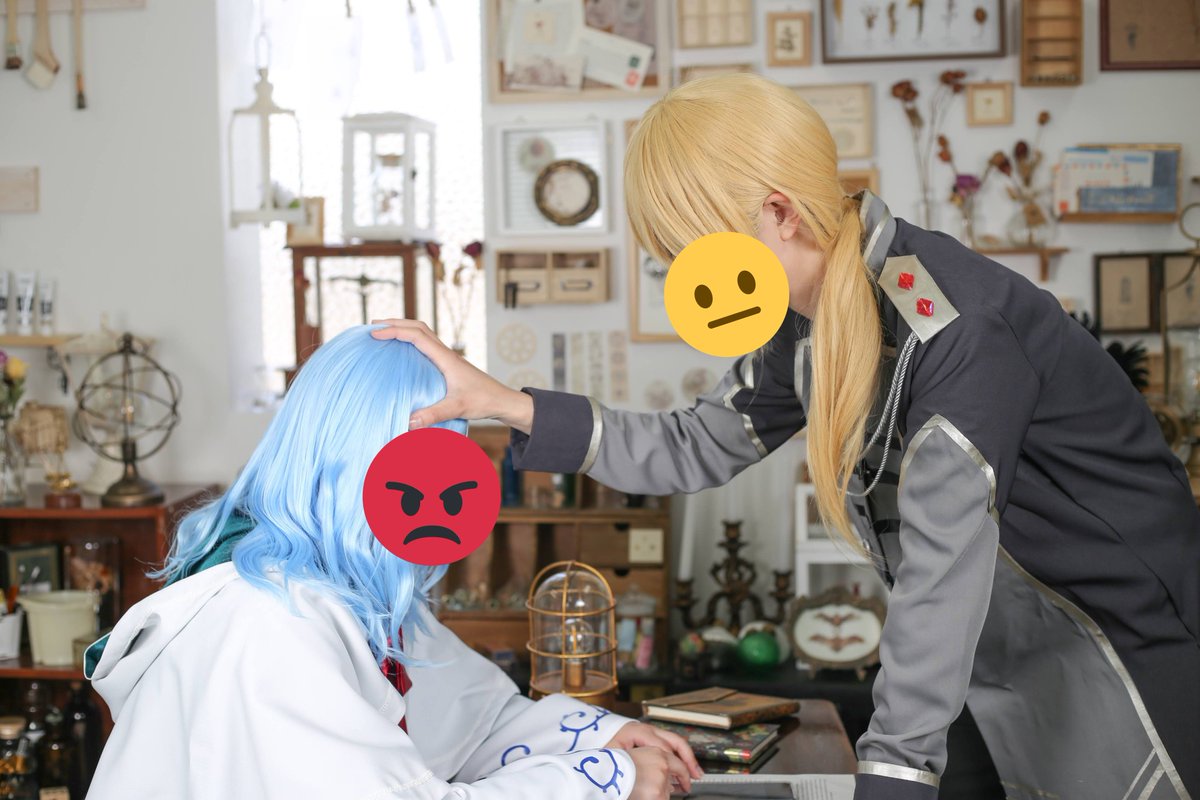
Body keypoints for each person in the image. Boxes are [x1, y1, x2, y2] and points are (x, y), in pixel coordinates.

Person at [372, 73, 1200, 800]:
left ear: (778, 212)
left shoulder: (958, 331)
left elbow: (940, 576)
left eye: (694, 252)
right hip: (995, 658)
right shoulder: (805, 322)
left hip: (1116, 655)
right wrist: (509, 405)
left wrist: (894, 770)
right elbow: (697, 444)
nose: (685, 282)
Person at [84, 325, 700, 800]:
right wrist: (603, 780)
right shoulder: (267, 623)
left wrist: (601, 736)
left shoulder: (351, 590)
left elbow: (475, 723)